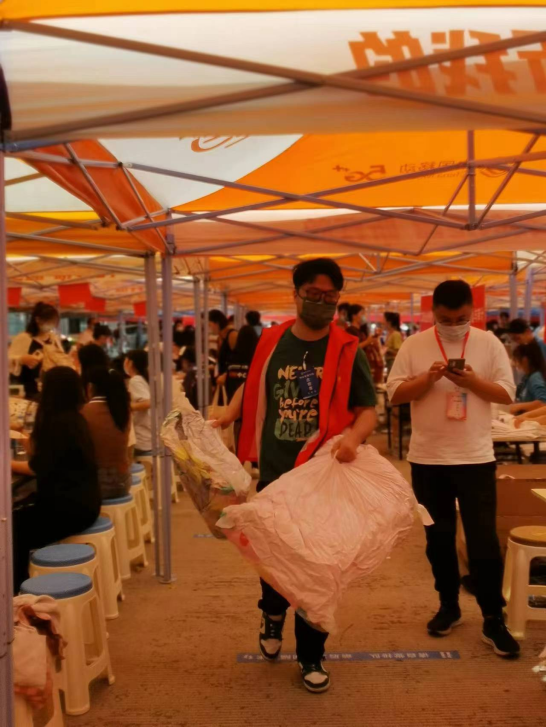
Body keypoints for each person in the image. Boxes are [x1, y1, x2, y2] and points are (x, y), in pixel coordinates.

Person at [213, 258, 377, 693]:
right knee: (275, 560)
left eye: (330, 297)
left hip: (324, 477)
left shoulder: (348, 348)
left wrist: (353, 439)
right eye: (313, 295)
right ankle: (271, 613)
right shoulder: (272, 340)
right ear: (296, 293)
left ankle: (311, 654)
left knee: (318, 567)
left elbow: (367, 410)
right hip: (277, 474)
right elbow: (253, 385)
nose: (322, 303)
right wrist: (229, 414)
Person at [386, 279, 519, 658]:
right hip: (427, 459)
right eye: (446, 320)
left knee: (483, 541)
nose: (454, 326)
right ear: (434, 314)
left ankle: (493, 616)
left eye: (461, 319)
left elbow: (507, 394)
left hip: (476, 458)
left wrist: (473, 381)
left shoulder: (488, 343)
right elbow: (394, 394)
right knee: (438, 539)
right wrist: (427, 379)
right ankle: (448, 605)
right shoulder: (414, 344)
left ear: (471, 312)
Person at [11, 367, 100, 590]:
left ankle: (18, 591)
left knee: (12, 530)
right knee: (16, 517)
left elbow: (37, 468)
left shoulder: (57, 424)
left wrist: (6, 464)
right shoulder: (74, 420)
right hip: (86, 503)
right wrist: (27, 441)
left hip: (68, 510)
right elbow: (50, 459)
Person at [82, 366, 132, 499]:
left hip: (97, 486)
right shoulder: (123, 410)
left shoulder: (85, 412)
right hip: (124, 481)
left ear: (90, 387)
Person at [9, 302, 63, 400]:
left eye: (54, 322)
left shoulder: (53, 339)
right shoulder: (24, 338)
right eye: (49, 321)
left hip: (52, 391)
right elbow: (7, 361)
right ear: (37, 320)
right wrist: (21, 360)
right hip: (29, 391)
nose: (52, 325)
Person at [124, 350, 152, 456]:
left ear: (130, 363)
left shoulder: (135, 380)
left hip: (143, 439)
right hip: (150, 436)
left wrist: (127, 407)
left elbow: (148, 403)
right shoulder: (145, 378)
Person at [509, 341, 546, 415]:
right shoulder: (526, 378)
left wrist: (519, 406)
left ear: (525, 359)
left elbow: (543, 403)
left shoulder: (535, 377)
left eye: (517, 359)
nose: (516, 364)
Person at [225, 324, 259, 403]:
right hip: (252, 404)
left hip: (233, 405)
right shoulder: (257, 361)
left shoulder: (232, 360)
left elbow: (228, 386)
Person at [209, 310, 238, 386]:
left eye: (210, 325)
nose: (209, 328)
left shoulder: (232, 335)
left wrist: (226, 374)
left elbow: (238, 359)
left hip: (230, 380)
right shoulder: (220, 337)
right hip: (222, 379)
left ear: (217, 323)